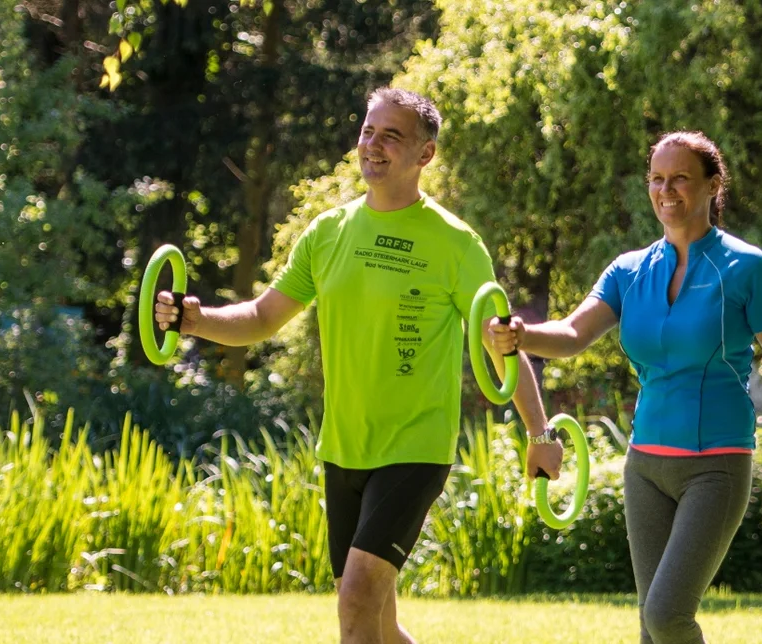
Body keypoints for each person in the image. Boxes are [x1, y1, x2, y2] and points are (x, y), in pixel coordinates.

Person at [153, 87, 561, 644]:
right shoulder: (327, 233)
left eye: (391, 135)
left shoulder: (456, 244)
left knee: (356, 600)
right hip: (343, 446)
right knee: (378, 622)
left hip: (415, 447)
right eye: (369, 130)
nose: (373, 144)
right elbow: (262, 317)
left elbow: (501, 344)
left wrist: (539, 433)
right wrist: (195, 321)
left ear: (426, 154)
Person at [487, 131, 762, 644]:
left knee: (667, 615)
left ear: (712, 185)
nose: (666, 190)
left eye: (680, 178)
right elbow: (571, 335)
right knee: (650, 628)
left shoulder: (747, 268)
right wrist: (520, 334)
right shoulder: (630, 271)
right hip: (646, 466)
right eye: (657, 178)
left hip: (716, 464)